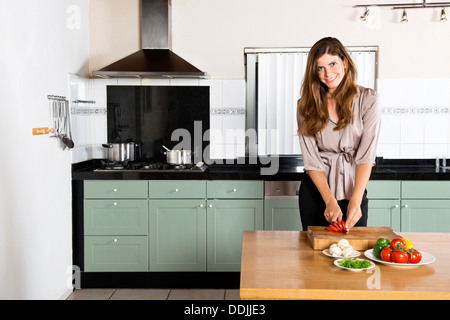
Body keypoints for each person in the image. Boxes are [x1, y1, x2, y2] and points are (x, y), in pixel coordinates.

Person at [297, 37, 381, 231]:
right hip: (317, 193)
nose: (328, 73)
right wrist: (330, 201)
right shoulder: (305, 105)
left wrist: (355, 201)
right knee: (314, 257)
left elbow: (366, 156)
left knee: (352, 255)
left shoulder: (368, 99)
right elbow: (312, 161)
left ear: (344, 62)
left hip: (354, 191)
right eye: (320, 68)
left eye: (333, 63)